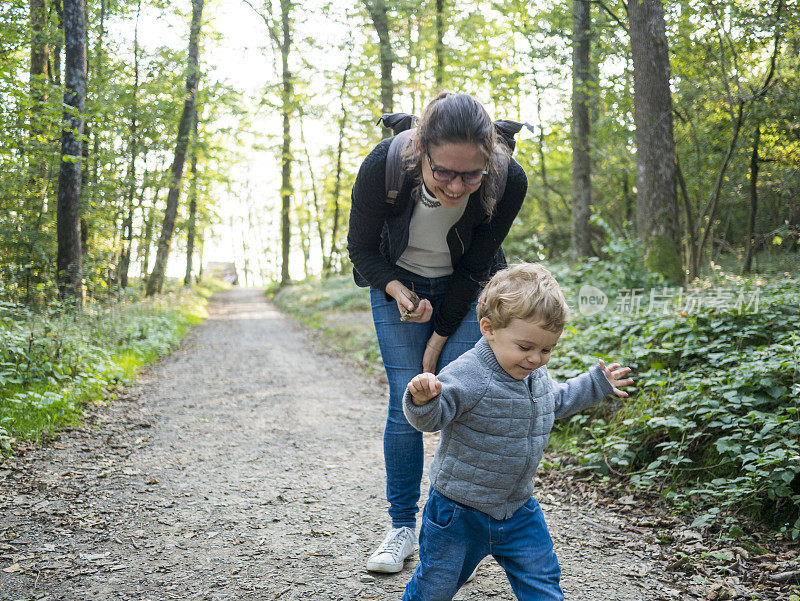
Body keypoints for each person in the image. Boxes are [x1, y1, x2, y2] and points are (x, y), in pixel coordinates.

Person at [347, 92, 528, 573]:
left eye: (471, 174)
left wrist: (439, 335)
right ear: (421, 152)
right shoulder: (383, 166)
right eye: (443, 171)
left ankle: (455, 532)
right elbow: (361, 250)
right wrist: (398, 292)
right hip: (396, 277)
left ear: (489, 160)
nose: (455, 186)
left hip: (467, 286)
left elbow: (475, 266)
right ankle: (402, 528)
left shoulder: (508, 178)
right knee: (406, 397)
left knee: (466, 397)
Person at [401, 263, 635, 600]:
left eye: (546, 349)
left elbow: (554, 402)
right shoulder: (469, 373)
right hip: (459, 512)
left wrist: (596, 383)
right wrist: (423, 400)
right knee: (434, 586)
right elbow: (432, 419)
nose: (536, 359)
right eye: (525, 347)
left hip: (517, 509)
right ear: (489, 328)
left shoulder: (533, 375)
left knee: (542, 580)